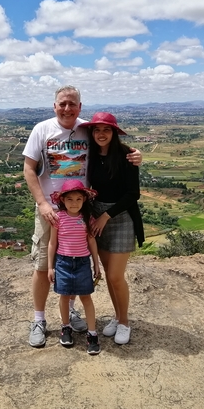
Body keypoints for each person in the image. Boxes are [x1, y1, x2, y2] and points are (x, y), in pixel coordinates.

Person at [22, 86, 142, 348]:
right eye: (62, 104)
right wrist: (42, 204)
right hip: (51, 210)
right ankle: (39, 319)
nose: (67, 109)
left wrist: (135, 154)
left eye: (72, 104)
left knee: (76, 258)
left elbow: (110, 143)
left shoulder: (87, 129)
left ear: (80, 106)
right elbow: (29, 169)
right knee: (44, 265)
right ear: (54, 106)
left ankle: (73, 311)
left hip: (84, 208)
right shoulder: (42, 129)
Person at [80, 112, 145, 345]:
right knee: (109, 275)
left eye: (106, 130)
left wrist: (106, 216)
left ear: (114, 132)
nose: (101, 134)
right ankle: (117, 318)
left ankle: (125, 322)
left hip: (119, 217)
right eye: (97, 130)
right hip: (97, 216)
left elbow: (132, 194)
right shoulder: (90, 155)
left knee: (116, 276)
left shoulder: (127, 156)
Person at [47, 179, 101, 355]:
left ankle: (92, 334)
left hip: (83, 262)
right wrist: (50, 267)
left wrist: (96, 264)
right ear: (62, 200)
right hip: (63, 262)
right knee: (64, 296)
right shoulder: (58, 218)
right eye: (69, 199)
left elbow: (91, 241)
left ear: (84, 200)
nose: (74, 203)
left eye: (78, 199)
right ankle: (66, 327)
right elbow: (52, 243)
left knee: (86, 297)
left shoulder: (87, 218)